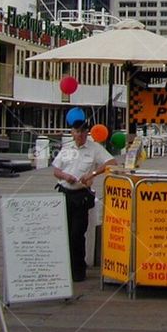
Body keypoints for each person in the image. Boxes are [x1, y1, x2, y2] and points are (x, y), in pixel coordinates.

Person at [51, 120, 116, 282]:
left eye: (82, 132)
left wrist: (91, 174)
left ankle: (78, 270)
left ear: (87, 133)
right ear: (72, 133)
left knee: (77, 233)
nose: (79, 135)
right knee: (64, 233)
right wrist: (66, 176)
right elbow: (56, 170)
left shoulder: (94, 149)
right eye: (76, 131)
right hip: (65, 192)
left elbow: (111, 163)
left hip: (81, 195)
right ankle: (66, 268)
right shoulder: (67, 148)